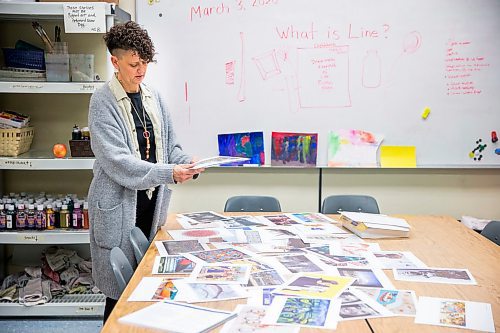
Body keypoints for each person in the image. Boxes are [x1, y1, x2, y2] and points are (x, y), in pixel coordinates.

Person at [87, 21, 203, 322]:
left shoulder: (154, 98)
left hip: (150, 205)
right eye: (134, 64)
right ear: (115, 61)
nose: (141, 70)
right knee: (119, 294)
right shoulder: (102, 102)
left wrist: (187, 163)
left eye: (145, 63)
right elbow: (118, 162)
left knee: (145, 286)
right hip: (117, 205)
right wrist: (169, 173)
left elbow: (169, 148)